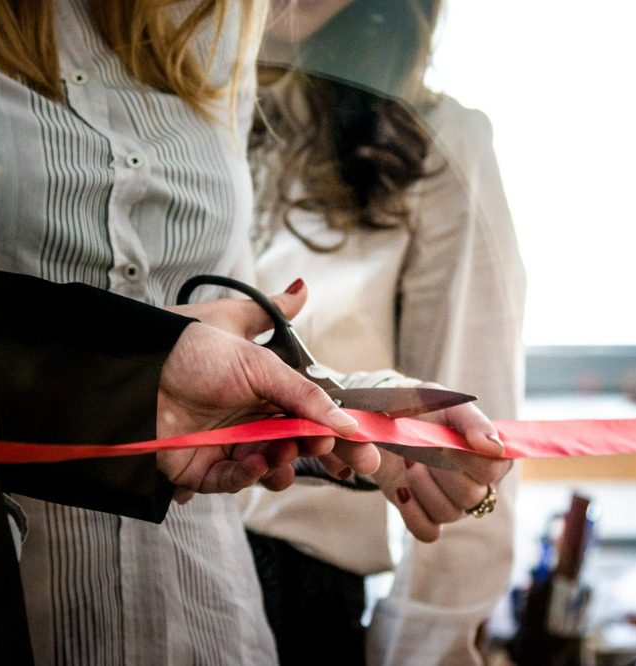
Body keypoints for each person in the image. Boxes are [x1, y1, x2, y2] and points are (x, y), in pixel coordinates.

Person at [0, 0, 508, 662]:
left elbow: (236, 351)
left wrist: (353, 403)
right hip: (4, 609)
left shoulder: (211, 35)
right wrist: (147, 372)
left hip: (215, 610)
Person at [240, 0, 527, 663]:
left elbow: (471, 445)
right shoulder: (163, 121)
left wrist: (424, 651)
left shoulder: (434, 145)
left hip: (296, 598)